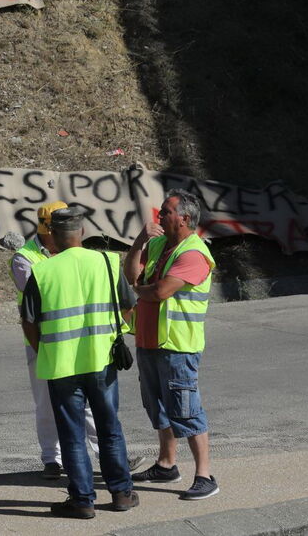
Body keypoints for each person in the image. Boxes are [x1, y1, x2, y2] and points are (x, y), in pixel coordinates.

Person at [11, 201, 145, 480]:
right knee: (50, 406)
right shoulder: (26, 259)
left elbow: (31, 315)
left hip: (80, 349)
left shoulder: (47, 267)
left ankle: (83, 493)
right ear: (80, 231)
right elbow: (126, 304)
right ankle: (54, 459)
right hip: (56, 348)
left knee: (86, 420)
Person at [123, 189, 219, 501]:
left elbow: (161, 291)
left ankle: (205, 475)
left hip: (178, 346)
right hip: (150, 340)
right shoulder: (161, 244)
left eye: (165, 212)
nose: (159, 216)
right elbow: (131, 274)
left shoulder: (194, 254)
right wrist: (139, 242)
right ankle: (167, 465)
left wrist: (139, 288)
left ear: (185, 218)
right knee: (158, 406)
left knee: (187, 410)